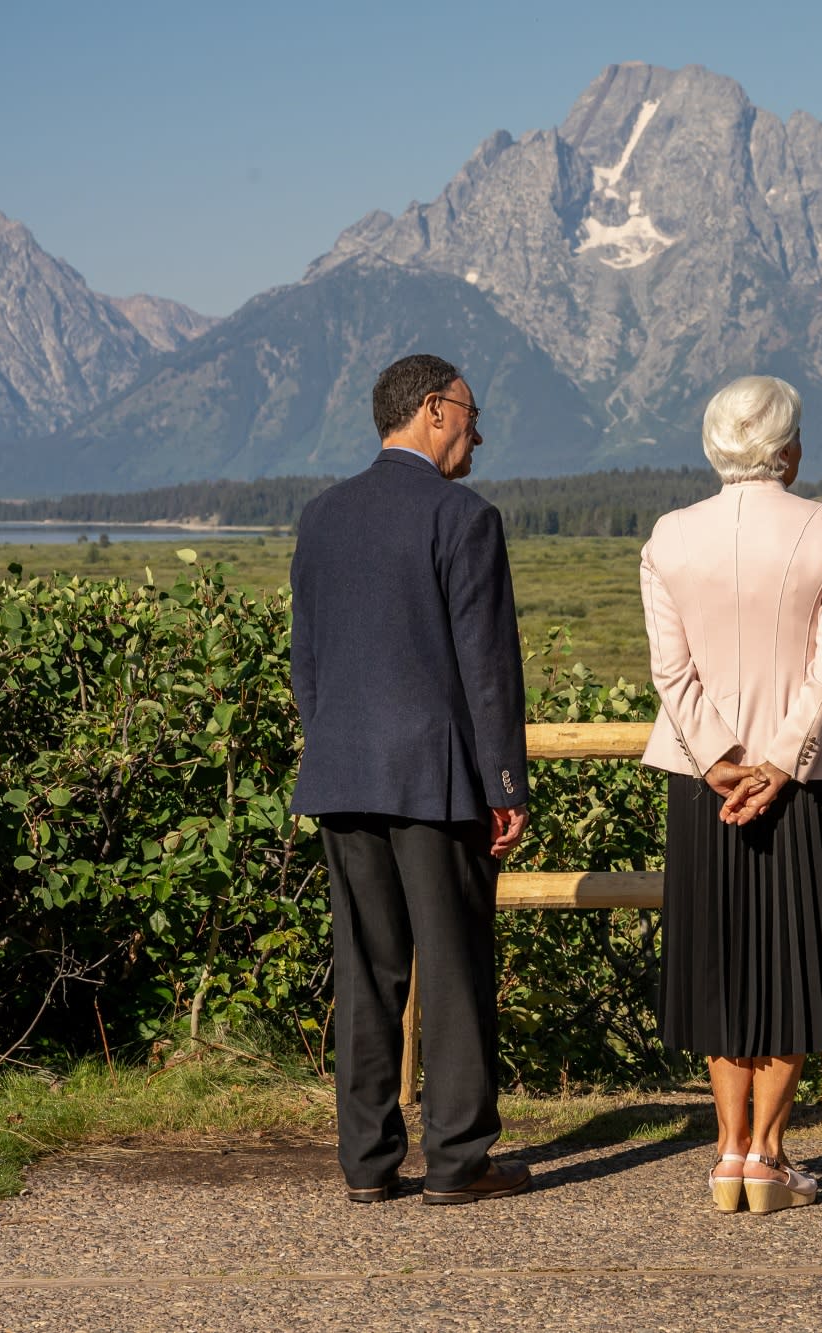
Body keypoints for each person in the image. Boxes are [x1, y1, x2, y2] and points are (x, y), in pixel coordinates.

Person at [290, 353, 532, 1206]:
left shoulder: (321, 518)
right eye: (470, 412)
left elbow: (307, 667)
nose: (478, 430)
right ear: (434, 409)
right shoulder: (462, 517)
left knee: (366, 973)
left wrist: (333, 749)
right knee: (456, 966)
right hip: (437, 779)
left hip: (342, 773)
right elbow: (488, 671)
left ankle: (366, 1162)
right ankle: (460, 1160)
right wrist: (506, 784)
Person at [640, 374, 822, 1215]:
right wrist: (777, 761)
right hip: (802, 780)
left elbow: (671, 671)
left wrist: (719, 761)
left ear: (714, 446)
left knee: (717, 961)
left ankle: (727, 1151)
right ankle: (770, 1156)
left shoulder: (670, 535)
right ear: (791, 449)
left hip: (706, 783)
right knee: (794, 963)